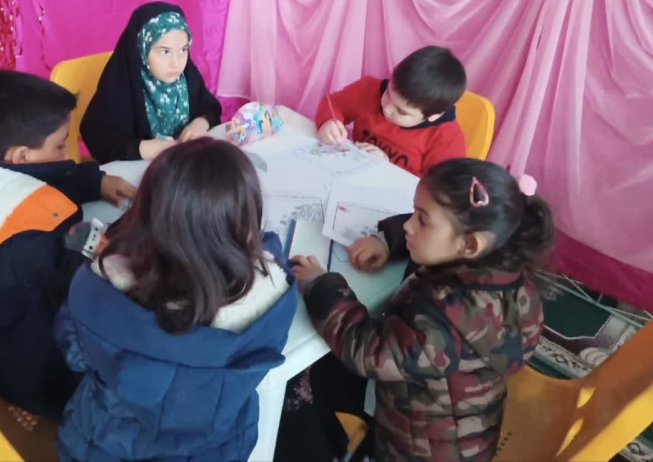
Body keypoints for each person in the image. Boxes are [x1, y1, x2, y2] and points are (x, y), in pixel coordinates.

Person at [291, 158, 554, 461]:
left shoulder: (443, 323)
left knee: (322, 385)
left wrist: (320, 286)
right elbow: (441, 236)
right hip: (460, 427)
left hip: (419, 451)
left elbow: (367, 351)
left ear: (470, 245)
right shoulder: (503, 268)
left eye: (422, 220)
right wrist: (387, 241)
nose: (408, 225)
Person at [54, 138, 299, 462]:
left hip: (100, 443)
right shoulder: (273, 303)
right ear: (245, 227)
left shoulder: (93, 285)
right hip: (213, 449)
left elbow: (74, 353)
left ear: (144, 215)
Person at [0, 70, 136, 418]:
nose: (68, 152)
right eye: (60, 145)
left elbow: (23, 183)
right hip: (42, 381)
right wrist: (132, 236)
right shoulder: (34, 235)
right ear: (22, 156)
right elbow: (95, 283)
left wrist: (92, 181)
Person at [81, 1, 222, 163]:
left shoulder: (187, 77)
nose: (176, 63)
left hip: (183, 166)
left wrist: (201, 122)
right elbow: (98, 136)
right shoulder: (122, 84)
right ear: (142, 49)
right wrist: (143, 148)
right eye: (165, 52)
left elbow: (210, 108)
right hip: (136, 169)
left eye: (183, 50)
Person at [315, 46, 467, 176]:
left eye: (401, 111)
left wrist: (388, 168)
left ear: (434, 115)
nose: (387, 108)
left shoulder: (447, 139)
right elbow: (334, 103)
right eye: (387, 94)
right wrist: (329, 121)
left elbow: (438, 189)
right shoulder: (369, 89)